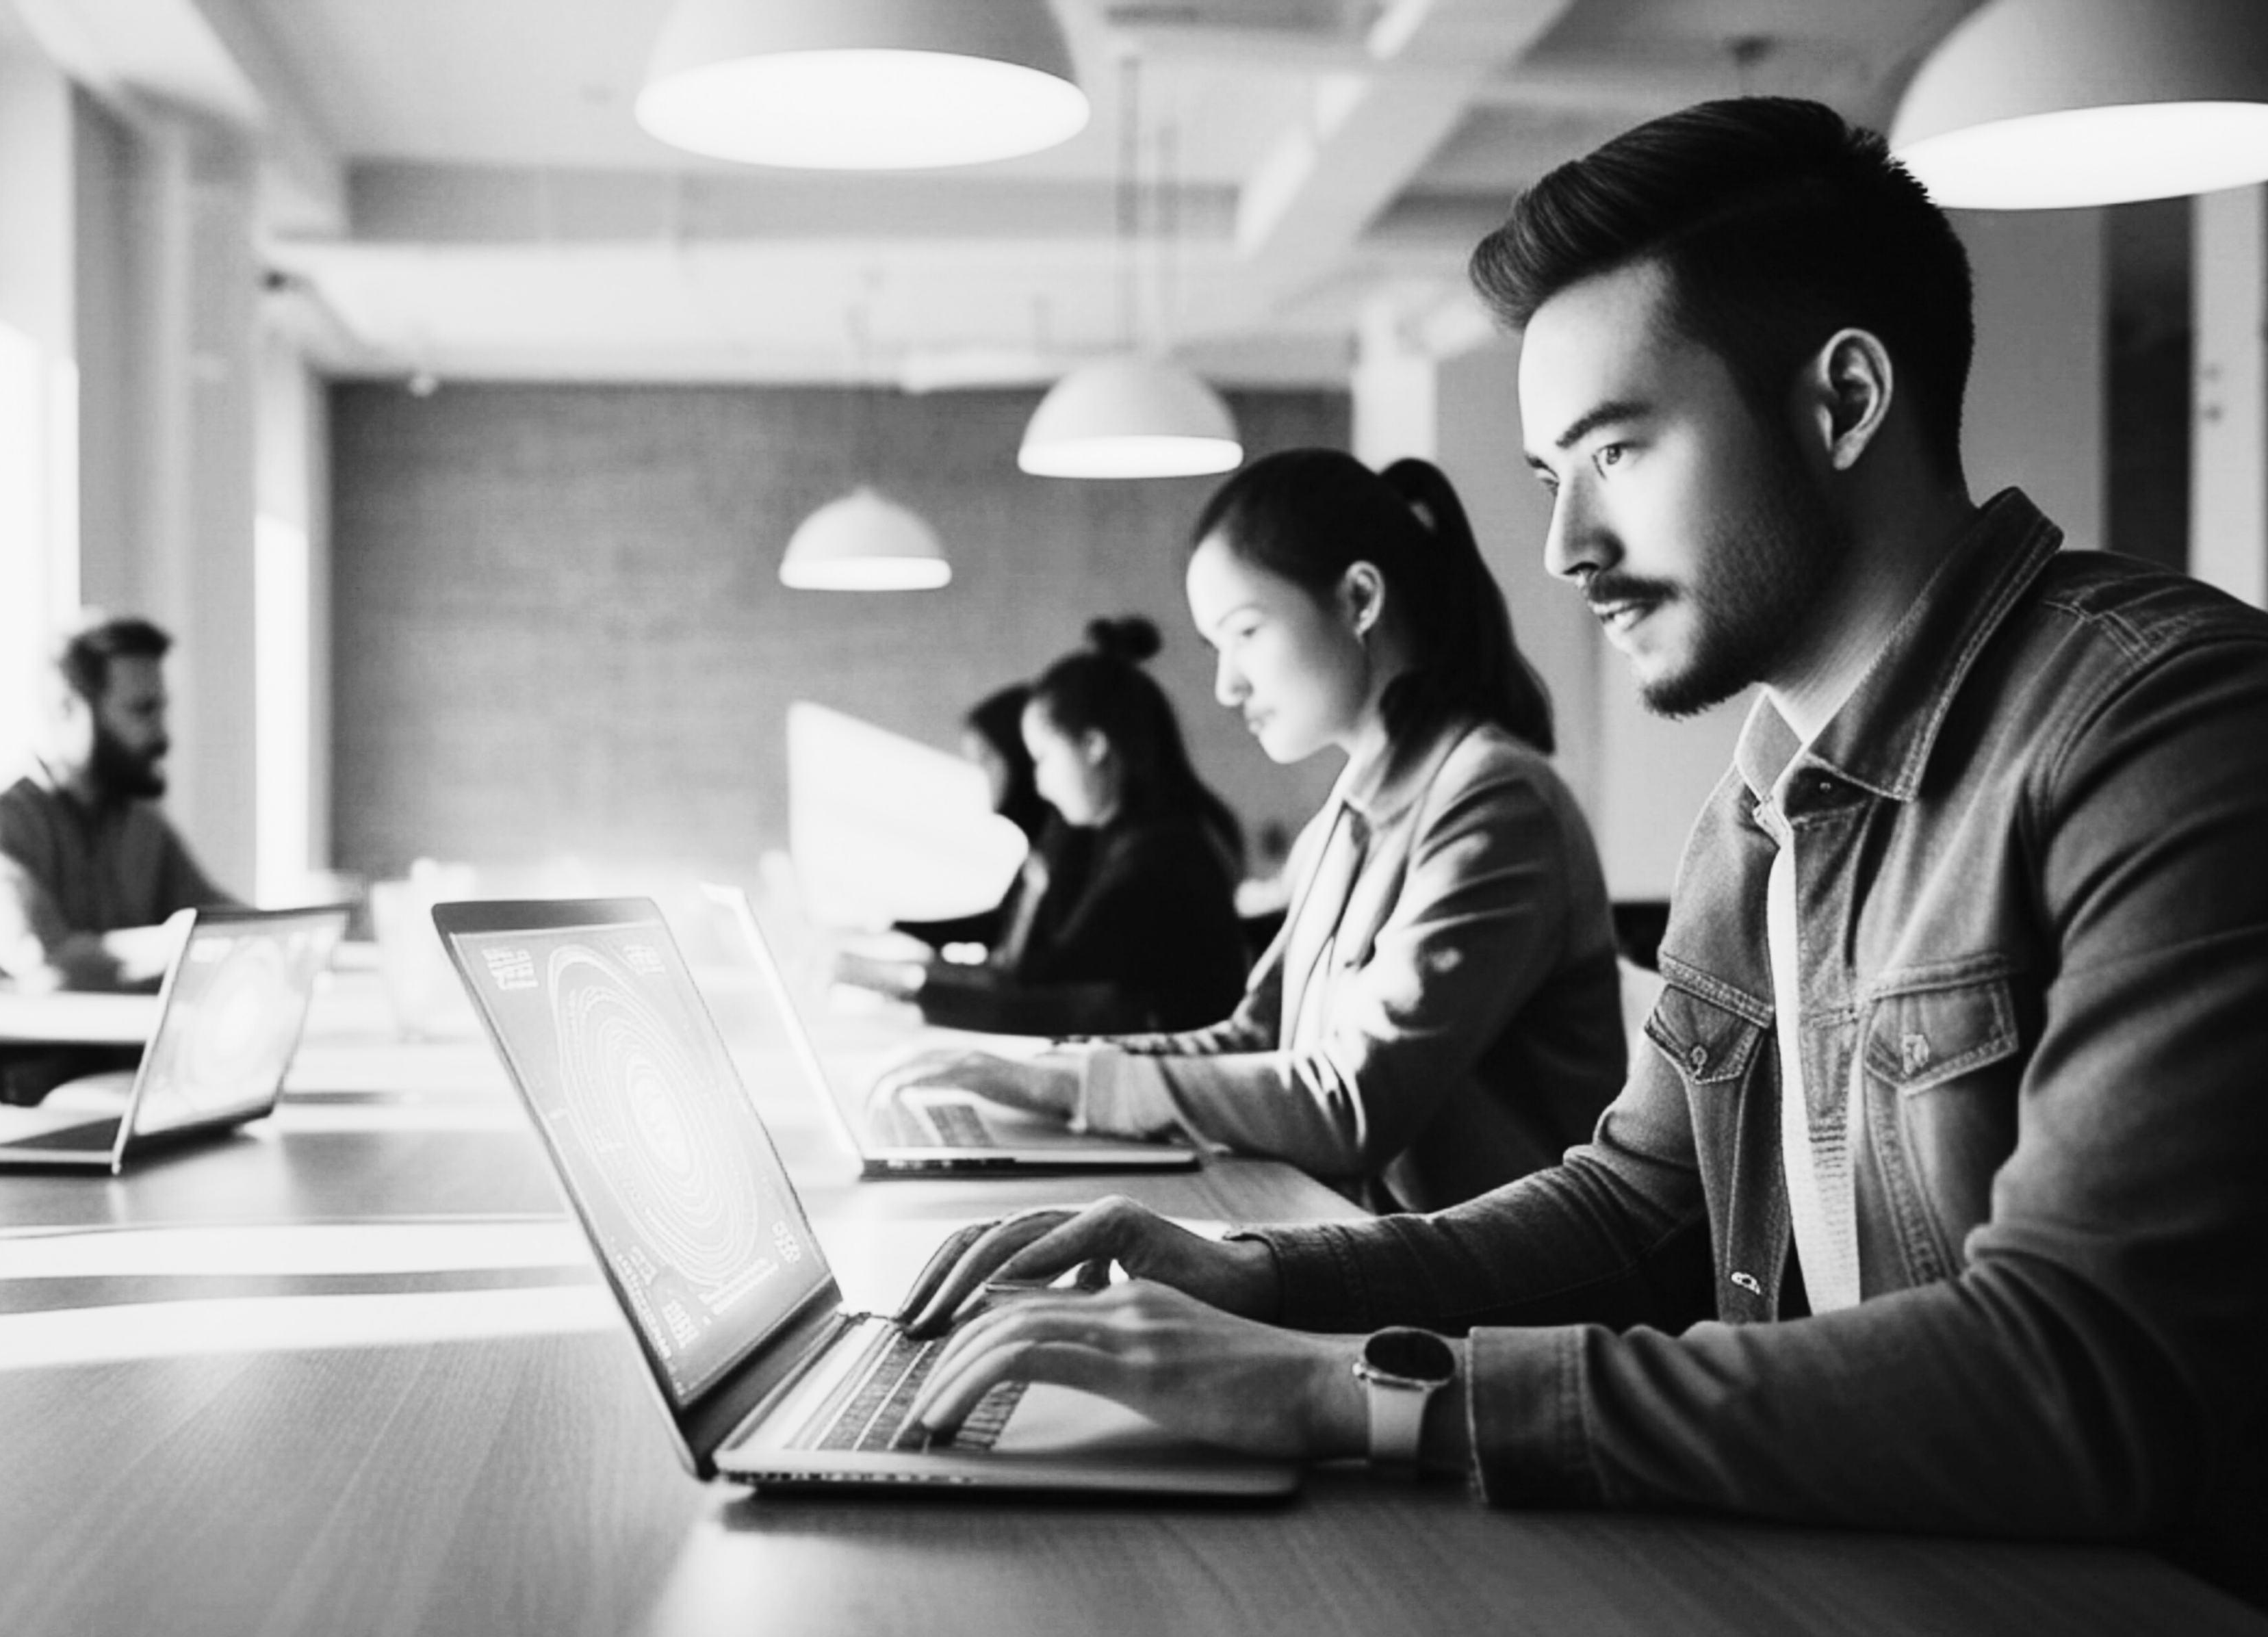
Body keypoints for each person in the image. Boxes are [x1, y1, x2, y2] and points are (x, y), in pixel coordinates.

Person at [893, 98, 2268, 1605]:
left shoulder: (2170, 725)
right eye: (1554, 477)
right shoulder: (1763, 798)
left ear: (1846, 400)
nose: (1563, 549)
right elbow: (1634, 1204)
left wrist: (1360, 1391)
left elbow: (2079, 1377)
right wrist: (1265, 1278)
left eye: (1617, 450)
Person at [878, 450, 1626, 1209]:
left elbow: (1350, 1105)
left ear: (1359, 599)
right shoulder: (1346, 815)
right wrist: (1047, 1072)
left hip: (1476, 1306)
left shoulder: (1496, 802)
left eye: (1245, 633)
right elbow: (1257, 1039)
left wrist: (1058, 1081)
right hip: (1351, 1242)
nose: (1227, 684)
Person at [863, 618, 1251, 1037]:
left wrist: (904, 989)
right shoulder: (1149, 839)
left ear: (1093, 746)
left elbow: (1049, 988)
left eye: (1044, 758)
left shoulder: (1157, 860)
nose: (1041, 785)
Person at [0, 611, 240, 994]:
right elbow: (43, 959)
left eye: (162, 709)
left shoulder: (140, 825)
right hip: (15, 1052)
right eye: (142, 710)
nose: (162, 735)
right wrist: (178, 943)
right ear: (66, 708)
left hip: (116, 1051)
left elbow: (222, 920)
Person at [886, 682, 1074, 956]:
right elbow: (1001, 925)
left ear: (1021, 757)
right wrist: (891, 927)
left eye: (986, 761)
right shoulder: (1044, 842)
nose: (981, 780)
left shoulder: (1067, 846)